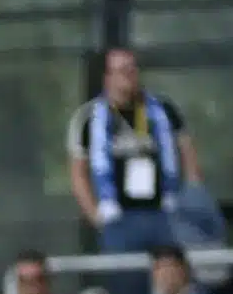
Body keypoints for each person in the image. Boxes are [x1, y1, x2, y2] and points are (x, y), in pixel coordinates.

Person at [70, 47, 198, 271]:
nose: (130, 74)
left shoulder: (163, 110)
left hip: (165, 213)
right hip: (118, 219)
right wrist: (97, 218)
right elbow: (78, 174)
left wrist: (191, 202)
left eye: (133, 68)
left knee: (172, 283)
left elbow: (189, 157)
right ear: (107, 78)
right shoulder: (88, 118)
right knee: (127, 289)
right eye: (122, 70)